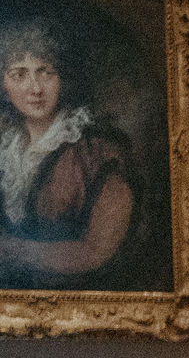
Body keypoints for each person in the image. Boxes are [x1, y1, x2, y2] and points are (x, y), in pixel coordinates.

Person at [0, 20, 142, 288]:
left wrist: (12, 250)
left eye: (45, 72)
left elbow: (97, 252)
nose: (35, 89)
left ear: (63, 78)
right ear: (3, 84)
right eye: (19, 74)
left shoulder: (97, 152)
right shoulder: (5, 147)